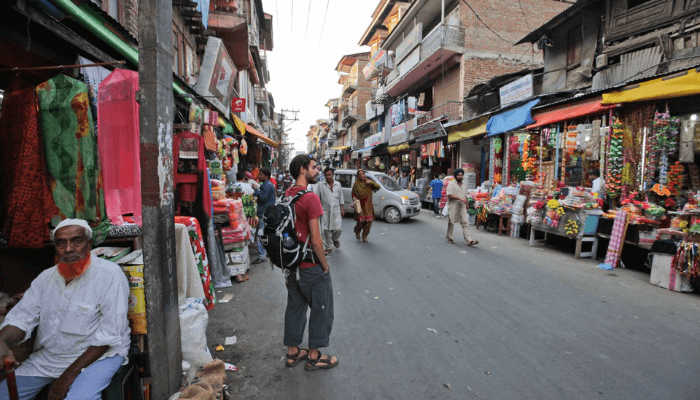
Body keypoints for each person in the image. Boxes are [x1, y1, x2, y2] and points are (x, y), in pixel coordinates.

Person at [0, 219, 130, 400]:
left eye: (77, 241)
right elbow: (21, 319)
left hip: (100, 356)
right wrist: (2, 340)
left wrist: (65, 379)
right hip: (51, 358)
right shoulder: (45, 279)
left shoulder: (110, 275)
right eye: (61, 243)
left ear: (89, 244)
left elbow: (107, 337)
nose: (68, 249)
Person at [283, 154, 338, 371]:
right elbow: (316, 240)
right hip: (310, 267)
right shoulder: (310, 198)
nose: (317, 171)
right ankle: (314, 356)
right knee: (321, 309)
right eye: (314, 168)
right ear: (302, 170)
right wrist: (324, 265)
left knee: (295, 307)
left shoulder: (287, 194)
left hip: (292, 265)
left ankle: (293, 352)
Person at [446, 169, 479, 246]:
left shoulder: (464, 184)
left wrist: (467, 203)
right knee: (451, 222)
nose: (460, 177)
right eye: (459, 175)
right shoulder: (451, 185)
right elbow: (450, 195)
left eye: (461, 175)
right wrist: (459, 198)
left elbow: (465, 195)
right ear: (455, 176)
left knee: (465, 222)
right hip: (453, 205)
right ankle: (450, 237)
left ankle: (469, 240)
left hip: (463, 205)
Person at [317, 167, 345, 254]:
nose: (328, 177)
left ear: (333, 175)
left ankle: (335, 239)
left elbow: (341, 197)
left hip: (336, 210)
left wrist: (342, 208)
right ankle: (328, 247)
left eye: (329, 175)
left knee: (338, 229)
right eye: (326, 175)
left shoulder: (338, 184)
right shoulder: (321, 185)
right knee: (327, 230)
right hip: (325, 211)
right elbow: (317, 199)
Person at [252, 168, 276, 264]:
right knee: (264, 233)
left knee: (260, 235)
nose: (259, 176)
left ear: (266, 176)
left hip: (265, 213)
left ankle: (261, 256)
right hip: (265, 212)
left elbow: (263, 197)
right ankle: (266, 253)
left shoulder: (267, 185)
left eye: (261, 175)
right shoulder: (267, 185)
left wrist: (255, 189)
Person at [352, 169, 380, 243]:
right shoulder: (356, 184)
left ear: (364, 174)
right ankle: (357, 231)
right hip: (360, 206)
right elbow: (353, 194)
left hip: (368, 205)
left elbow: (378, 187)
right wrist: (354, 199)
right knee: (361, 221)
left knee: (369, 222)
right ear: (358, 176)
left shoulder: (369, 183)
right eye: (360, 174)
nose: (362, 175)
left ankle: (365, 236)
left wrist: (370, 182)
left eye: (363, 174)